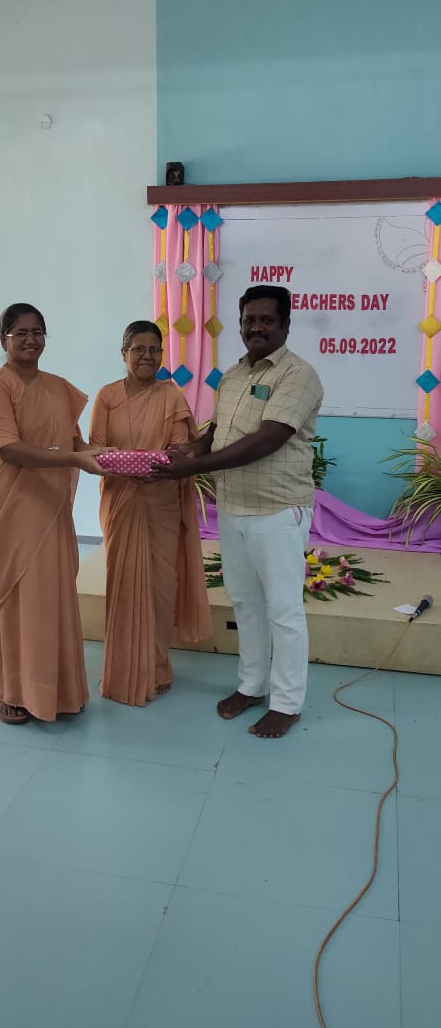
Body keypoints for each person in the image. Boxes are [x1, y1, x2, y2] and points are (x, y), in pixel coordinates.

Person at [154, 285, 324, 739]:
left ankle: (287, 703)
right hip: (233, 508)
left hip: (277, 510)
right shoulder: (231, 375)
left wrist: (192, 469)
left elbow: (266, 440)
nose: (256, 328)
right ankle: (252, 685)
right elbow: (218, 433)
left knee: (283, 610)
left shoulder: (298, 375)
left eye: (266, 320)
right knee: (246, 603)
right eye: (249, 320)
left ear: (285, 325)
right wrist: (190, 450)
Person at [0, 303, 106, 725]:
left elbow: (73, 443)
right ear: (4, 340)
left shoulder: (58, 387)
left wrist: (102, 455)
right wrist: (75, 458)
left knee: (51, 594)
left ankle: (58, 688)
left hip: (50, 505)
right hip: (9, 506)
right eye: (21, 333)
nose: (31, 340)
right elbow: (9, 449)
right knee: (15, 596)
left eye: (38, 332)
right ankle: (11, 688)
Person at [89, 320, 212, 706]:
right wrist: (126, 465)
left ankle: (156, 667)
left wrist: (153, 463)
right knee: (123, 582)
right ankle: (123, 667)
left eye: (154, 350)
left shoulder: (171, 396)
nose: (147, 356)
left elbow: (180, 450)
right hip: (120, 500)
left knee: (160, 586)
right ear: (123, 353)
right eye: (138, 349)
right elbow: (95, 449)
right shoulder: (107, 396)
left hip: (161, 499)